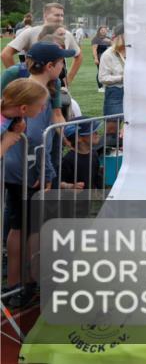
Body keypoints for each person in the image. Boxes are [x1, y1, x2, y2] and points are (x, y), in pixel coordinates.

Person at [2, 42, 77, 304]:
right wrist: (45, 172)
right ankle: (25, 284)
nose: (64, 66)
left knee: (21, 226)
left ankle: (19, 283)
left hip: (18, 170)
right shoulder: (36, 94)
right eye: (62, 62)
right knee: (30, 227)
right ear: (50, 66)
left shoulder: (32, 88)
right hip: (27, 173)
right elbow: (35, 138)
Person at [1, 3, 82, 87]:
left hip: (57, 85)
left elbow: (79, 56)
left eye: (62, 15)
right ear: (45, 15)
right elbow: (5, 54)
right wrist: (21, 79)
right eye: (57, 15)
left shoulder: (66, 34)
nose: (60, 18)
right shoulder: (31, 32)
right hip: (34, 84)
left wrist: (68, 79)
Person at [1, 78, 49, 157]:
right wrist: (6, 143)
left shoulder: (9, 114)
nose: (44, 108)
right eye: (41, 105)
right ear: (23, 108)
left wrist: (19, 119)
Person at [98, 27, 126, 148]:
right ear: (120, 36)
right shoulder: (108, 54)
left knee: (135, 125)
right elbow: (103, 78)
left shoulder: (135, 52)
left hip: (133, 92)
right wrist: (122, 78)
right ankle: (110, 153)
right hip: (115, 92)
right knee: (112, 128)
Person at [61, 118, 105, 189]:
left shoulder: (94, 153)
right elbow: (59, 182)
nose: (96, 133)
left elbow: (96, 178)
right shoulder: (68, 160)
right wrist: (70, 186)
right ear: (78, 138)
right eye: (92, 131)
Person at [92, 26, 111, 91]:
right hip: (99, 56)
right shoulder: (96, 39)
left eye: (105, 30)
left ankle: (106, 85)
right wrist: (96, 58)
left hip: (107, 57)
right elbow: (94, 50)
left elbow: (113, 46)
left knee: (108, 71)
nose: (103, 31)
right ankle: (100, 87)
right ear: (99, 31)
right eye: (102, 30)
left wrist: (110, 41)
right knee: (100, 71)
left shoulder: (108, 38)